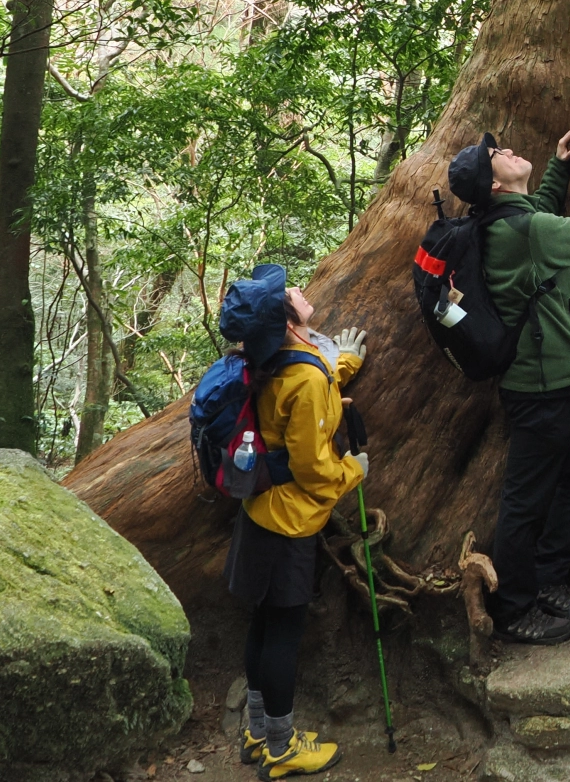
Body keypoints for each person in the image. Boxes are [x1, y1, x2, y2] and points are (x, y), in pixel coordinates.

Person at [448, 125, 570, 644]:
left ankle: (548, 575)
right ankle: (514, 610)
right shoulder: (522, 232)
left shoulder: (507, 220)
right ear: (496, 186)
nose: (505, 149)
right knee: (523, 503)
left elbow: (537, 212)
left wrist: (558, 165)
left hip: (560, 384)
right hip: (541, 392)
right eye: (496, 156)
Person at [220, 263, 369, 779]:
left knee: (262, 624)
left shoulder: (266, 361)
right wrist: (353, 470)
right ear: (285, 322)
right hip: (289, 523)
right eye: (285, 293)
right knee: (283, 631)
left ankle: (256, 731)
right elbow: (312, 467)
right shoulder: (303, 378)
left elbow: (311, 382)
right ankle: (281, 748)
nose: (295, 290)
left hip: (257, 511)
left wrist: (343, 362)